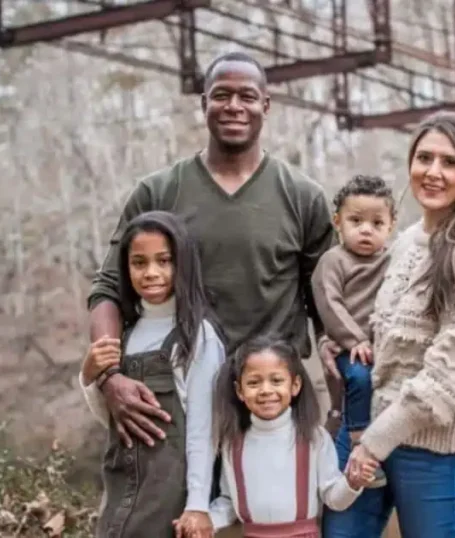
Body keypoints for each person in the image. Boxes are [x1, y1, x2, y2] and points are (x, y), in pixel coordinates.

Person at [84, 50, 335, 526]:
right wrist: (110, 377)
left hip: (268, 401)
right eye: (221, 95)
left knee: (265, 524)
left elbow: (329, 307)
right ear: (204, 104)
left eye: (247, 96)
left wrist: (343, 399)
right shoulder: (159, 191)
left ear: (267, 104)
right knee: (158, 521)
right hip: (171, 399)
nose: (234, 106)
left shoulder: (302, 196)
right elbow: (108, 289)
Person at [320, 110, 455, 538]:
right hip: (364, 429)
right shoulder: (403, 243)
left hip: (429, 447)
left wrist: (374, 442)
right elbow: (387, 333)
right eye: (424, 158)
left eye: (450, 162)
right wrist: (341, 343)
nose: (433, 172)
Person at [79, 210, 226, 538]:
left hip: (171, 490)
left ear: (182, 264)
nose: (151, 273)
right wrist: (90, 378)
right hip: (120, 481)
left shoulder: (196, 336)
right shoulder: (126, 333)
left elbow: (205, 429)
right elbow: (111, 418)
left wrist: (198, 504)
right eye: (139, 262)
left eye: (164, 261)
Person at [190, 335, 376, 538]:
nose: (266, 390)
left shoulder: (314, 437)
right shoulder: (232, 444)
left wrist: (352, 483)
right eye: (253, 382)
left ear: (295, 385)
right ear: (239, 390)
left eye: (276, 380)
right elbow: (229, 501)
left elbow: (333, 497)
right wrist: (206, 521)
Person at [309, 174, 395, 488]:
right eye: (355, 220)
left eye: (377, 223)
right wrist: (354, 338)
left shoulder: (393, 261)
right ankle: (358, 446)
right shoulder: (333, 261)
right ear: (338, 222)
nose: (366, 230)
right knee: (359, 378)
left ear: (391, 226)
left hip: (385, 347)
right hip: (349, 347)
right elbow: (329, 304)